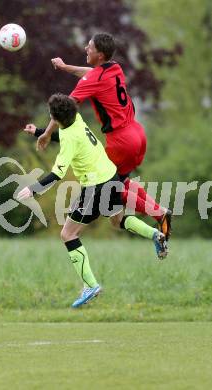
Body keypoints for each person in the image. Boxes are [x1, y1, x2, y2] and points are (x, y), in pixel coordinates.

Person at [18, 94, 168, 308]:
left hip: (95, 188)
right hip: (112, 175)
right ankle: (155, 234)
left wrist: (33, 189)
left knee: (68, 234)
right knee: (117, 221)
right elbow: (63, 134)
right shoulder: (77, 120)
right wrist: (39, 132)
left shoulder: (68, 138)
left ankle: (90, 285)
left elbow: (56, 174)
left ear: (54, 117)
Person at [34, 33, 172, 241]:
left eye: (89, 47)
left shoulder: (92, 79)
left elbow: (67, 107)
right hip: (137, 133)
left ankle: (159, 213)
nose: (85, 49)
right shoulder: (114, 67)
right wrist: (65, 67)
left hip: (121, 141)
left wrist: (46, 133)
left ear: (99, 54)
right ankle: (159, 214)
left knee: (111, 184)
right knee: (121, 183)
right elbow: (91, 73)